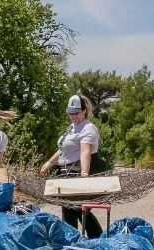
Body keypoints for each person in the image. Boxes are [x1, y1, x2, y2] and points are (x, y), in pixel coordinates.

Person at [39, 94, 105, 238]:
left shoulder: (87, 128)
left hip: (76, 171)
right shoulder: (72, 127)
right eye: (70, 113)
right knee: (71, 209)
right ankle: (79, 239)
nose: (73, 116)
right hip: (65, 171)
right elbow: (63, 148)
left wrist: (84, 173)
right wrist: (50, 162)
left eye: (76, 112)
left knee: (76, 209)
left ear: (84, 110)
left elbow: (85, 151)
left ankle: (90, 239)